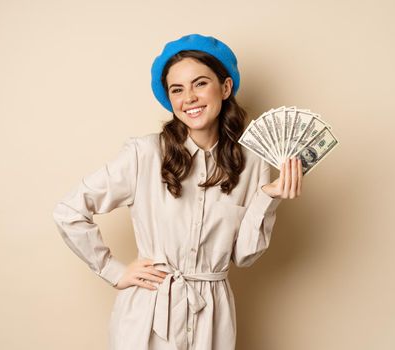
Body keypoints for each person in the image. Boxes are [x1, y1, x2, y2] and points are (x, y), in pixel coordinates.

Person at [52, 33, 303, 350]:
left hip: (212, 317)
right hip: (147, 315)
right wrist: (113, 270)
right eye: (177, 89)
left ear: (225, 88)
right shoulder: (144, 154)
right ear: (169, 99)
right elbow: (69, 211)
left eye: (200, 84)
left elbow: (244, 256)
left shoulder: (252, 161)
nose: (190, 98)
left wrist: (269, 197)